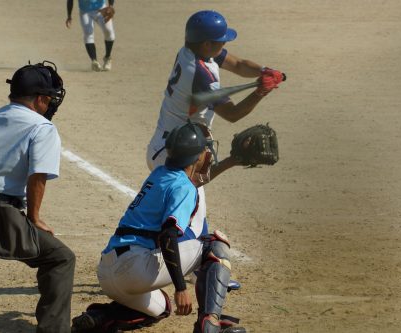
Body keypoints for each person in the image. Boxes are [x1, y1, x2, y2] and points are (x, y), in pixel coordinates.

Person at [71, 122, 244, 333]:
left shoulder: (159, 174)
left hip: (108, 272)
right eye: (204, 149)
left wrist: (230, 161)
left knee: (160, 308)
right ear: (196, 156)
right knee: (214, 245)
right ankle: (209, 324)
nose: (207, 153)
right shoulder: (183, 186)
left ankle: (99, 318)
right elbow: (168, 235)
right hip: (135, 268)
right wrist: (181, 288)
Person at [146, 9, 285, 240]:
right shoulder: (200, 75)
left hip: (168, 144)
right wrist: (261, 92)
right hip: (176, 154)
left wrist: (263, 71)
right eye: (221, 41)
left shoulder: (193, 50)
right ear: (207, 43)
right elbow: (232, 114)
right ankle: (189, 264)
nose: (224, 45)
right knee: (188, 215)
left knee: (191, 210)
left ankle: (194, 262)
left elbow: (239, 64)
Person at [0, 61, 75, 333]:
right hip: (1, 211)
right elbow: (37, 176)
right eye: (49, 98)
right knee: (60, 258)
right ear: (39, 99)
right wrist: (35, 218)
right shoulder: (41, 127)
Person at [65, 0, 116, 71]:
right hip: (85, 11)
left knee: (109, 31)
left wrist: (110, 6)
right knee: (88, 33)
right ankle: (94, 61)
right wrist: (69, 16)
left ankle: (107, 58)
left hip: (101, 9)